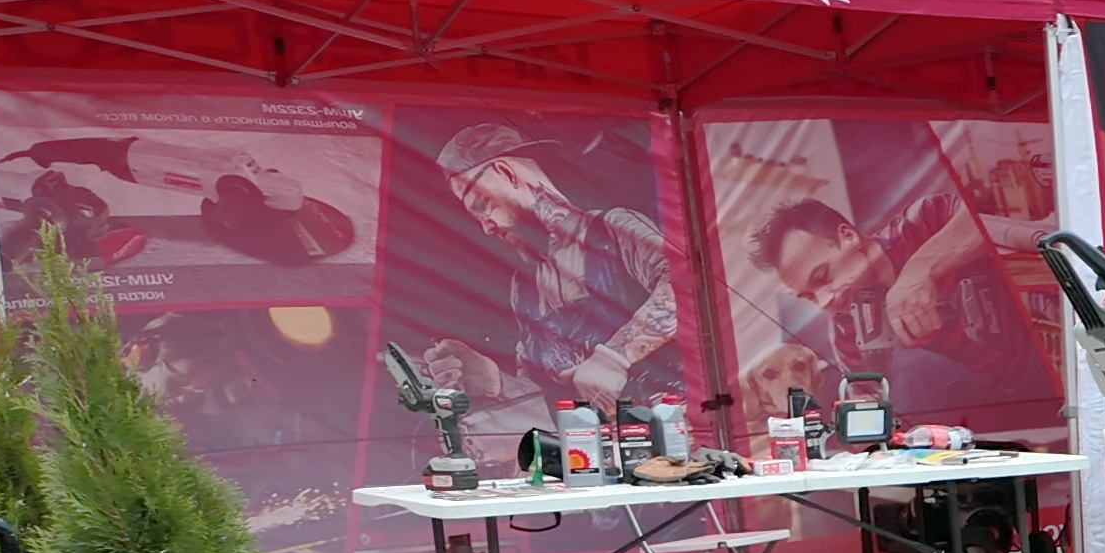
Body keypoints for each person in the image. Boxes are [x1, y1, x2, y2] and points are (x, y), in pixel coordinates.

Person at [422, 123, 678, 416]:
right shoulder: (525, 288)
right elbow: (539, 396)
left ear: (507, 174)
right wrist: (495, 381)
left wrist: (614, 357)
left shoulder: (613, 231)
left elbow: (685, 290)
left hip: (668, 432)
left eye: (482, 204)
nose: (486, 227)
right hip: (586, 447)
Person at [741, 193, 1044, 432]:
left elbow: (980, 223)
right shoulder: (848, 333)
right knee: (910, 370)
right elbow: (877, 418)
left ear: (848, 236)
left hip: (1048, 377)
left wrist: (919, 270)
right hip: (972, 432)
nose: (824, 301)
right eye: (809, 296)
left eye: (823, 277)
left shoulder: (922, 223)